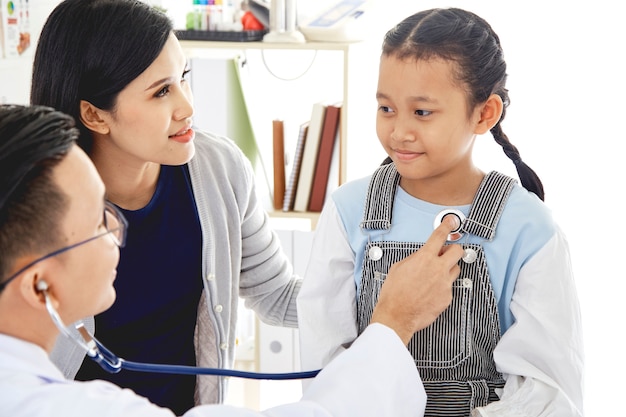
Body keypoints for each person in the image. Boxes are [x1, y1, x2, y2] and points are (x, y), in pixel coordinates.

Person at [0, 103, 466, 417]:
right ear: (39, 285)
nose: (117, 233)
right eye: (100, 222)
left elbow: (278, 291)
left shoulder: (216, 167)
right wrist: (394, 321)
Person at [297, 7, 584, 417]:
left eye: (422, 112)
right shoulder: (349, 211)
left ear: (484, 113)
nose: (399, 131)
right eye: (386, 108)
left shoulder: (530, 227)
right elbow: (323, 365)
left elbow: (550, 393)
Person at [29, 0, 301, 412]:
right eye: (161, 91)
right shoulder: (31, 203)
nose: (187, 106)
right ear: (94, 115)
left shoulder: (220, 169)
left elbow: (279, 296)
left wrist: (387, 304)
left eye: (183, 77)